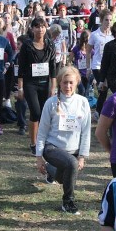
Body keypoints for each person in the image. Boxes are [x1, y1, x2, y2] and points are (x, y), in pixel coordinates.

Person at [35, 66, 92, 214]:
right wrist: (39, 157)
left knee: (64, 176)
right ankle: (68, 202)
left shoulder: (83, 102)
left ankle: (50, 170)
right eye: (65, 82)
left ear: (77, 83)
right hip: (52, 147)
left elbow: (86, 132)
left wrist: (82, 156)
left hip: (72, 151)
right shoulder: (51, 103)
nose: (68, 86)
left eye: (71, 83)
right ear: (59, 83)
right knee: (71, 164)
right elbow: (42, 131)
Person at [17, 16, 57, 150]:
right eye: (37, 26)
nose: (40, 29)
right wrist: (20, 88)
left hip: (45, 83)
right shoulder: (27, 46)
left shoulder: (50, 45)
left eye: (42, 26)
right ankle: (33, 143)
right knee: (35, 112)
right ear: (32, 29)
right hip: (30, 84)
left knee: (44, 113)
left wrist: (53, 87)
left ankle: (42, 141)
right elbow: (21, 68)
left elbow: (53, 68)